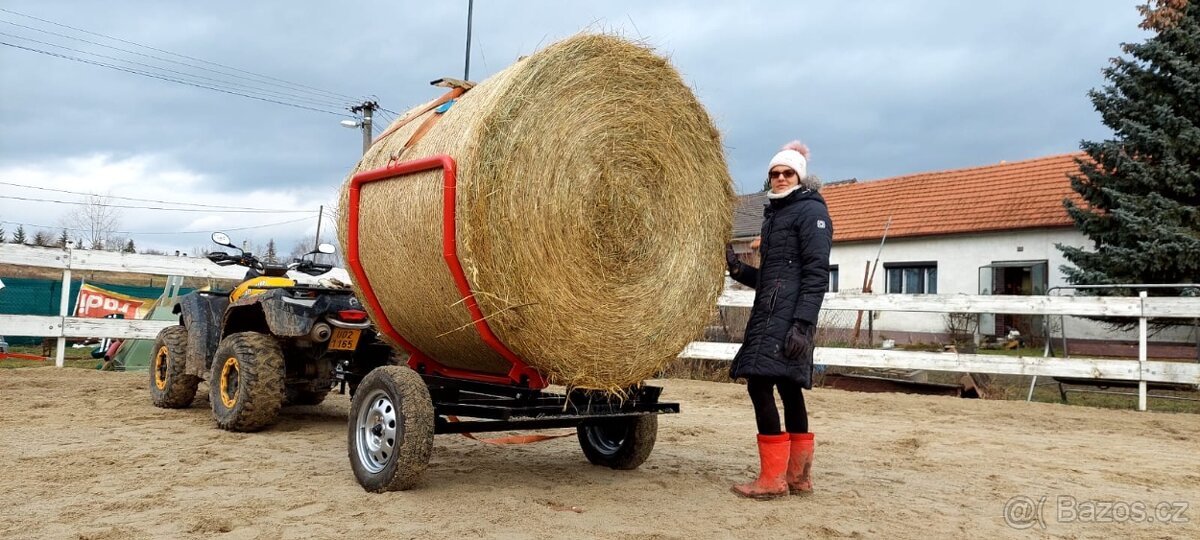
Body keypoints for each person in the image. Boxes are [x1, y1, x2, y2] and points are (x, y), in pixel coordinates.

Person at [725, 141, 833, 499]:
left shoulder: (810, 212)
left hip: (788, 318)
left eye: (787, 173)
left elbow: (817, 274)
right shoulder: (776, 215)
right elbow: (772, 277)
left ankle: (772, 480)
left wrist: (803, 324)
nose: (781, 178)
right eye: (775, 173)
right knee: (787, 388)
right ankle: (797, 478)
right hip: (772, 312)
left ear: (800, 176)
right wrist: (738, 268)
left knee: (759, 386)